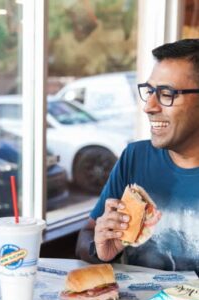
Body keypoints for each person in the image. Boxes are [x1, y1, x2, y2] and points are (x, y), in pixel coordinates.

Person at [76, 38, 199, 273]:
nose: (149, 106)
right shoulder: (136, 157)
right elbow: (87, 235)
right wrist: (100, 250)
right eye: (150, 91)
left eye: (166, 93)